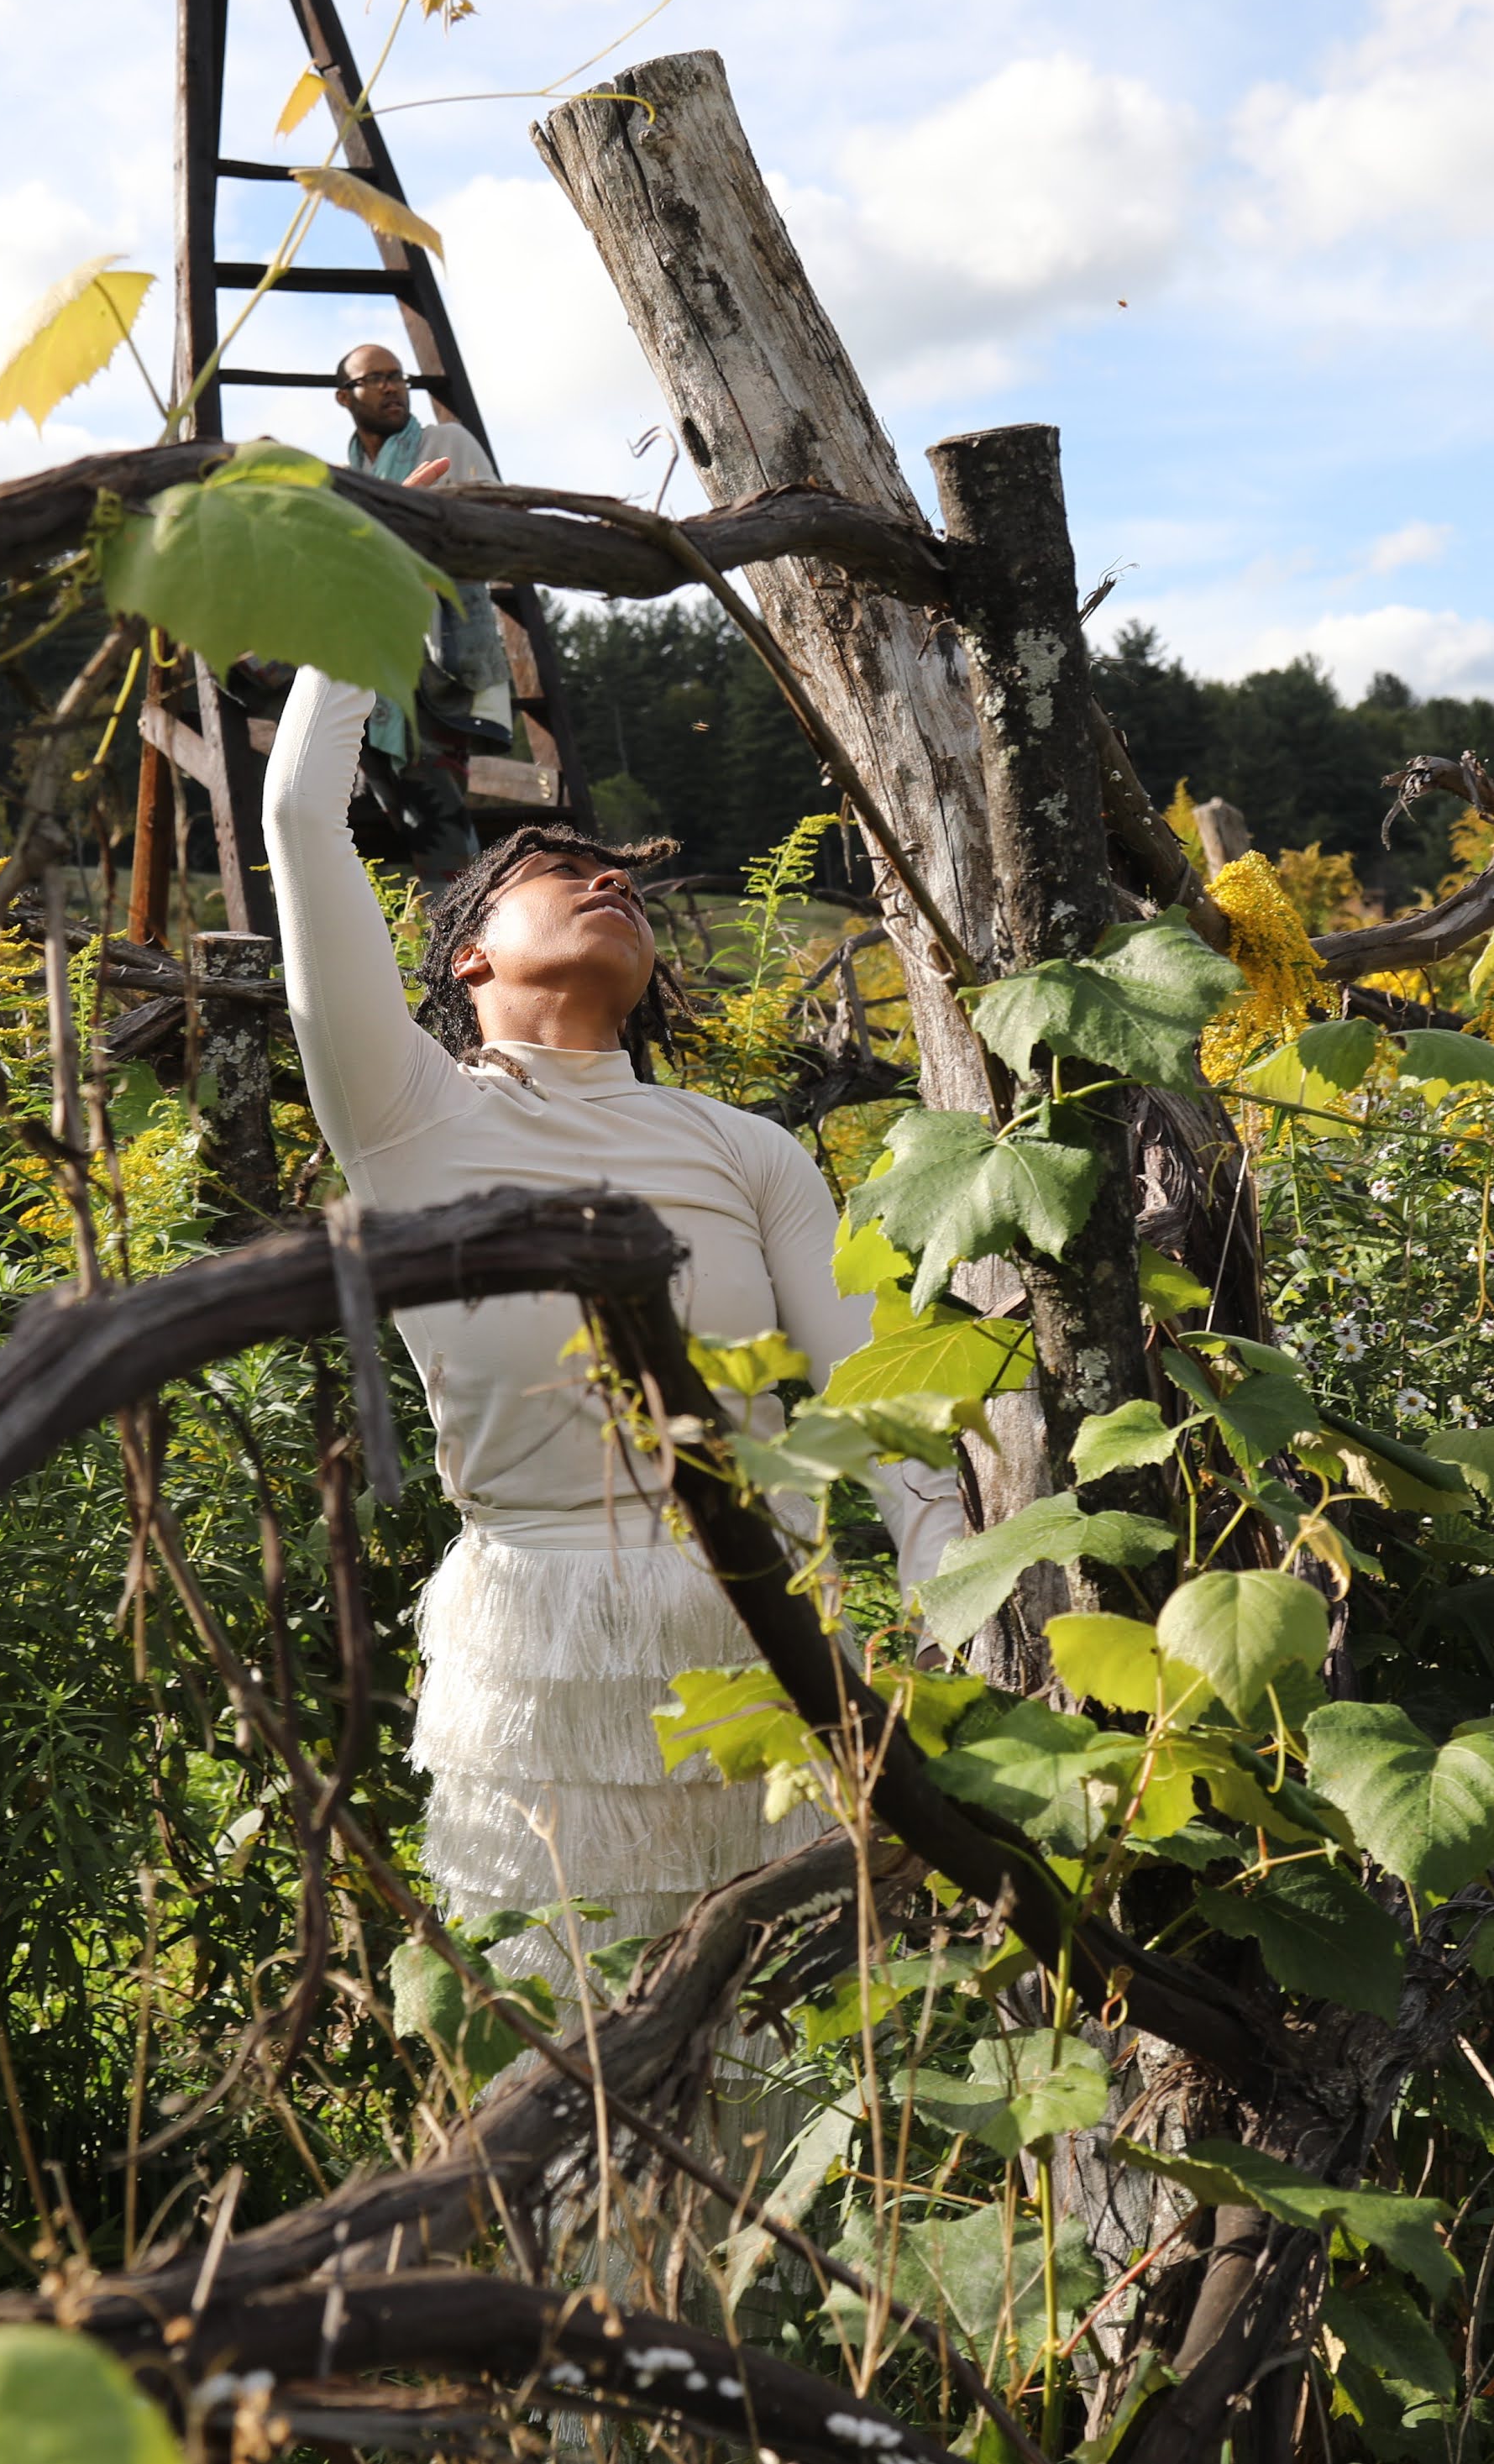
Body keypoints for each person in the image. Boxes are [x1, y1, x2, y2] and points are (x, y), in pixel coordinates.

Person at [265, 661, 966, 1994]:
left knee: (784, 2039)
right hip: (536, 1649)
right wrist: (366, 591)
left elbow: (878, 1394)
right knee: (565, 2031)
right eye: (565, 874)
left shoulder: (747, 1148)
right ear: (467, 953)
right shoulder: (411, 1116)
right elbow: (302, 815)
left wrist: (961, 1607)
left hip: (769, 1629)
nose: (612, 885)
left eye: (628, 882)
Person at [334, 346, 517, 870]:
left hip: (436, 660)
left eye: (398, 376)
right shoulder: (352, 473)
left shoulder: (445, 442)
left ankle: (468, 933)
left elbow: (498, 524)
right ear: (345, 396)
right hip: (371, 660)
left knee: (440, 821)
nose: (392, 387)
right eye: (376, 379)